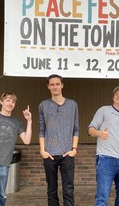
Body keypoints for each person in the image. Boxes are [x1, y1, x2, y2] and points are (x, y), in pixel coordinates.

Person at [88, 86, 119, 206]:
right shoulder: (104, 110)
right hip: (106, 159)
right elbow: (90, 130)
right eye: (116, 94)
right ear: (113, 97)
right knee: (102, 196)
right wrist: (99, 133)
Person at [38, 74, 79, 206]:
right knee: (51, 190)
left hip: (67, 153)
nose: (55, 87)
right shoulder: (43, 105)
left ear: (62, 85)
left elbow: (76, 129)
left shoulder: (72, 104)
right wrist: (42, 150)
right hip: (49, 154)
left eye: (57, 84)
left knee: (68, 189)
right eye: (52, 84)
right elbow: (42, 130)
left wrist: (74, 149)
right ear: (48, 87)